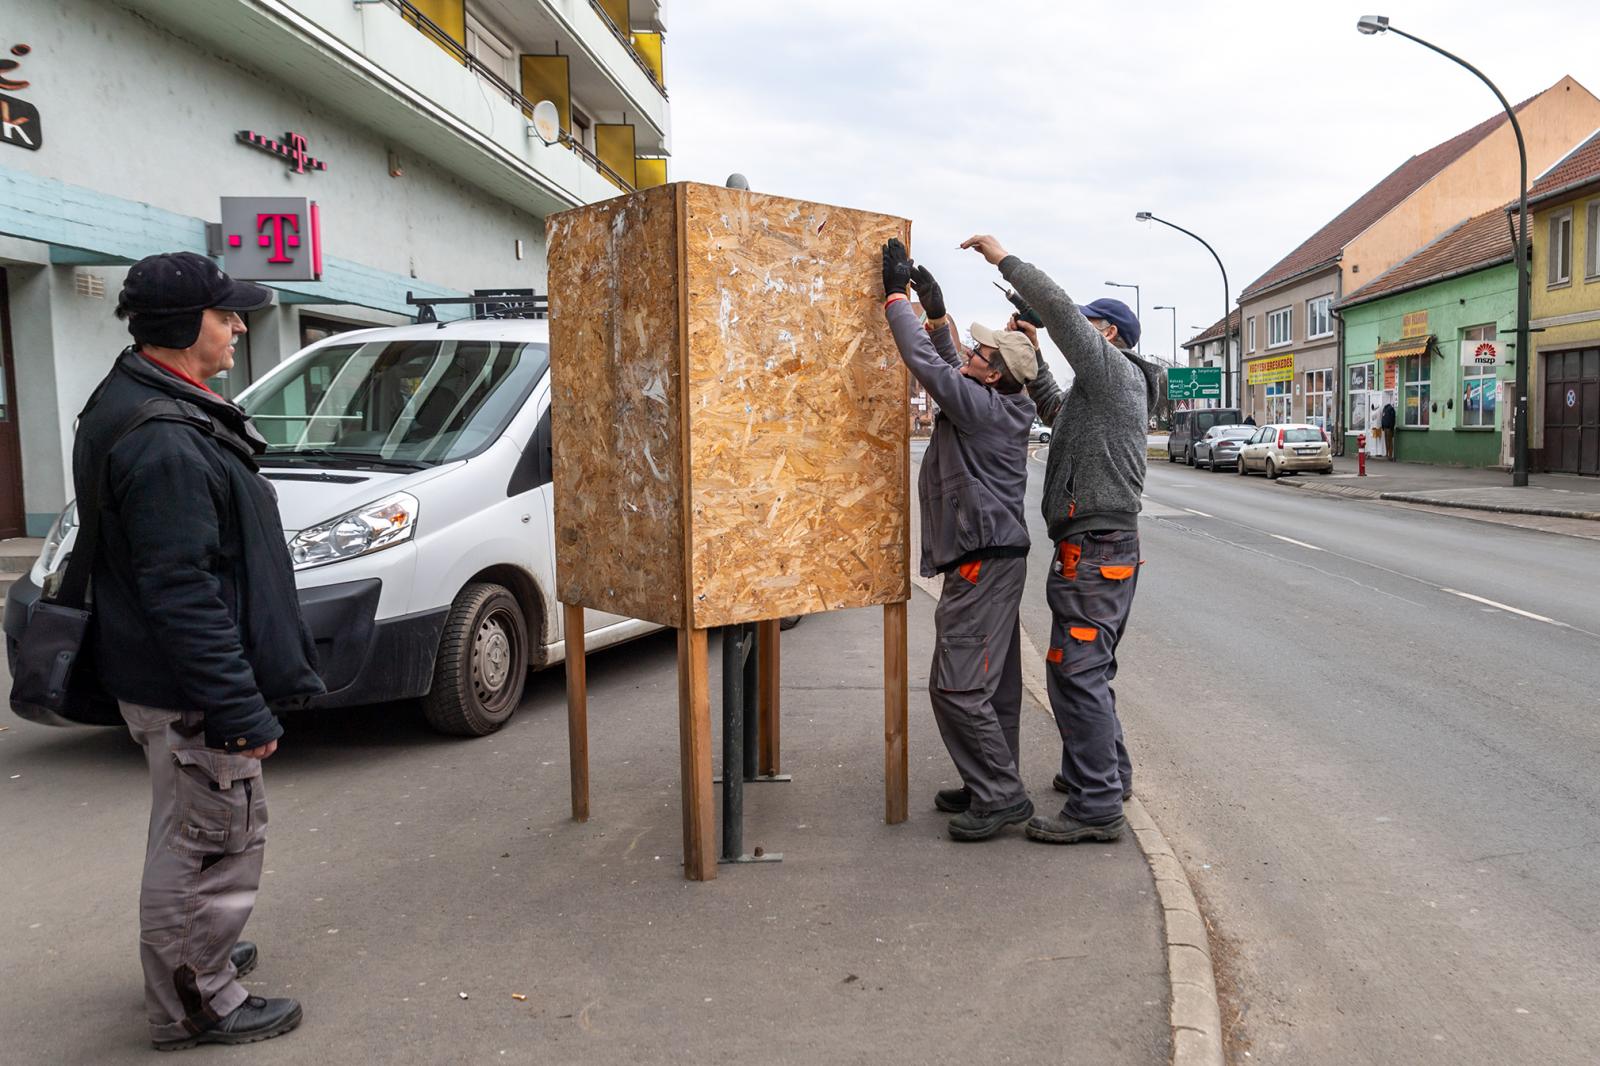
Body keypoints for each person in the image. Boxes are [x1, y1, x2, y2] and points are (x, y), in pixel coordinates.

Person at [76, 252, 324, 1050]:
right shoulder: (165, 442)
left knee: (188, 828)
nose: (240, 327)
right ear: (188, 330)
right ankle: (196, 999)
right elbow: (181, 593)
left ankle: (191, 951)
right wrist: (239, 706)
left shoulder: (146, 398)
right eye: (227, 316)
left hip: (165, 673)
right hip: (188, 685)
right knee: (212, 837)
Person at [962, 234, 1160, 845]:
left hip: (1097, 549)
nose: (1080, 331)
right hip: (1095, 548)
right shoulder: (1099, 393)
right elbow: (1052, 404)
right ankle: (1100, 777)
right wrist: (1039, 355)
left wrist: (1006, 262)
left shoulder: (1114, 373)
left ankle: (1098, 806)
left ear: (1108, 336)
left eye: (1088, 326)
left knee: (1075, 671)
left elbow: (1060, 306)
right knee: (1084, 670)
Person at [881, 238, 1038, 841]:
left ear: (995, 371)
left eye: (982, 349)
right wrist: (939, 314)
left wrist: (898, 300)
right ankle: (993, 782)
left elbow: (931, 367)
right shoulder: (999, 398)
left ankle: (1000, 796)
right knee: (992, 685)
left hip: (982, 562)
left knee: (955, 683)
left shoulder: (983, 406)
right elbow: (953, 364)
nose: (971, 350)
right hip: (995, 557)